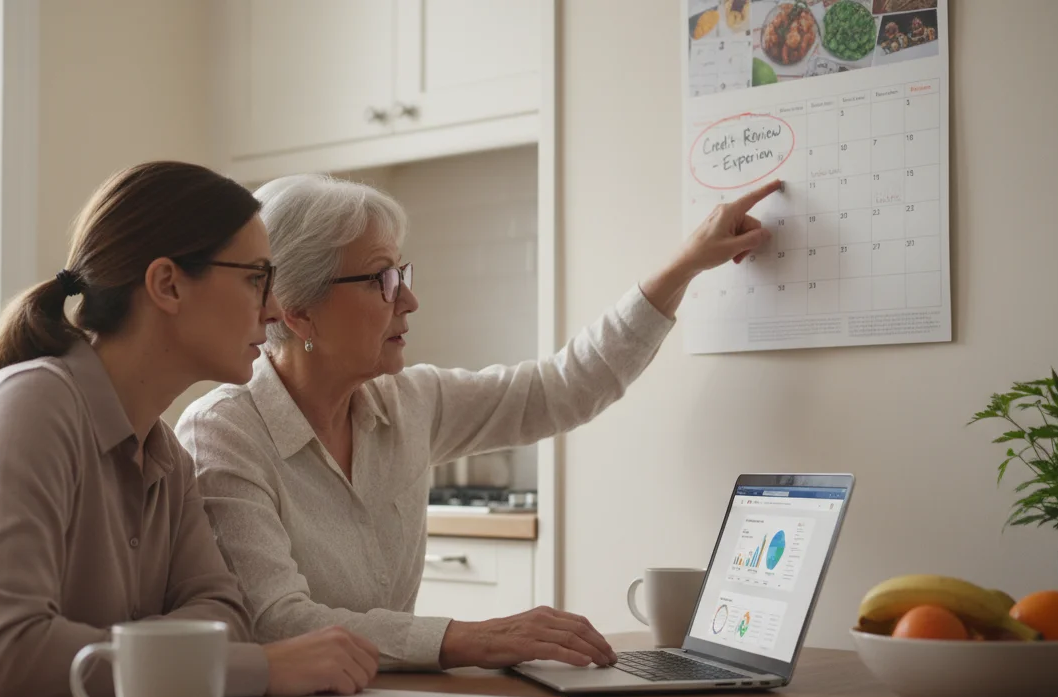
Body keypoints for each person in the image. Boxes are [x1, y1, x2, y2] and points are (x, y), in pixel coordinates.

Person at [175, 172, 781, 671]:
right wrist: (464, 638)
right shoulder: (224, 434)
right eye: (382, 280)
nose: (408, 300)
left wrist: (685, 265)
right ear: (299, 313)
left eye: (402, 276)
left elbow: (563, 388)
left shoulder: (411, 400)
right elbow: (277, 620)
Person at [0, 161, 380, 697]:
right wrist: (262, 669)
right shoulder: (31, 408)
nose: (271, 308)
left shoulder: (165, 453)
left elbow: (225, 614)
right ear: (167, 284)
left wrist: (106, 648)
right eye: (255, 278)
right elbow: (7, 657)